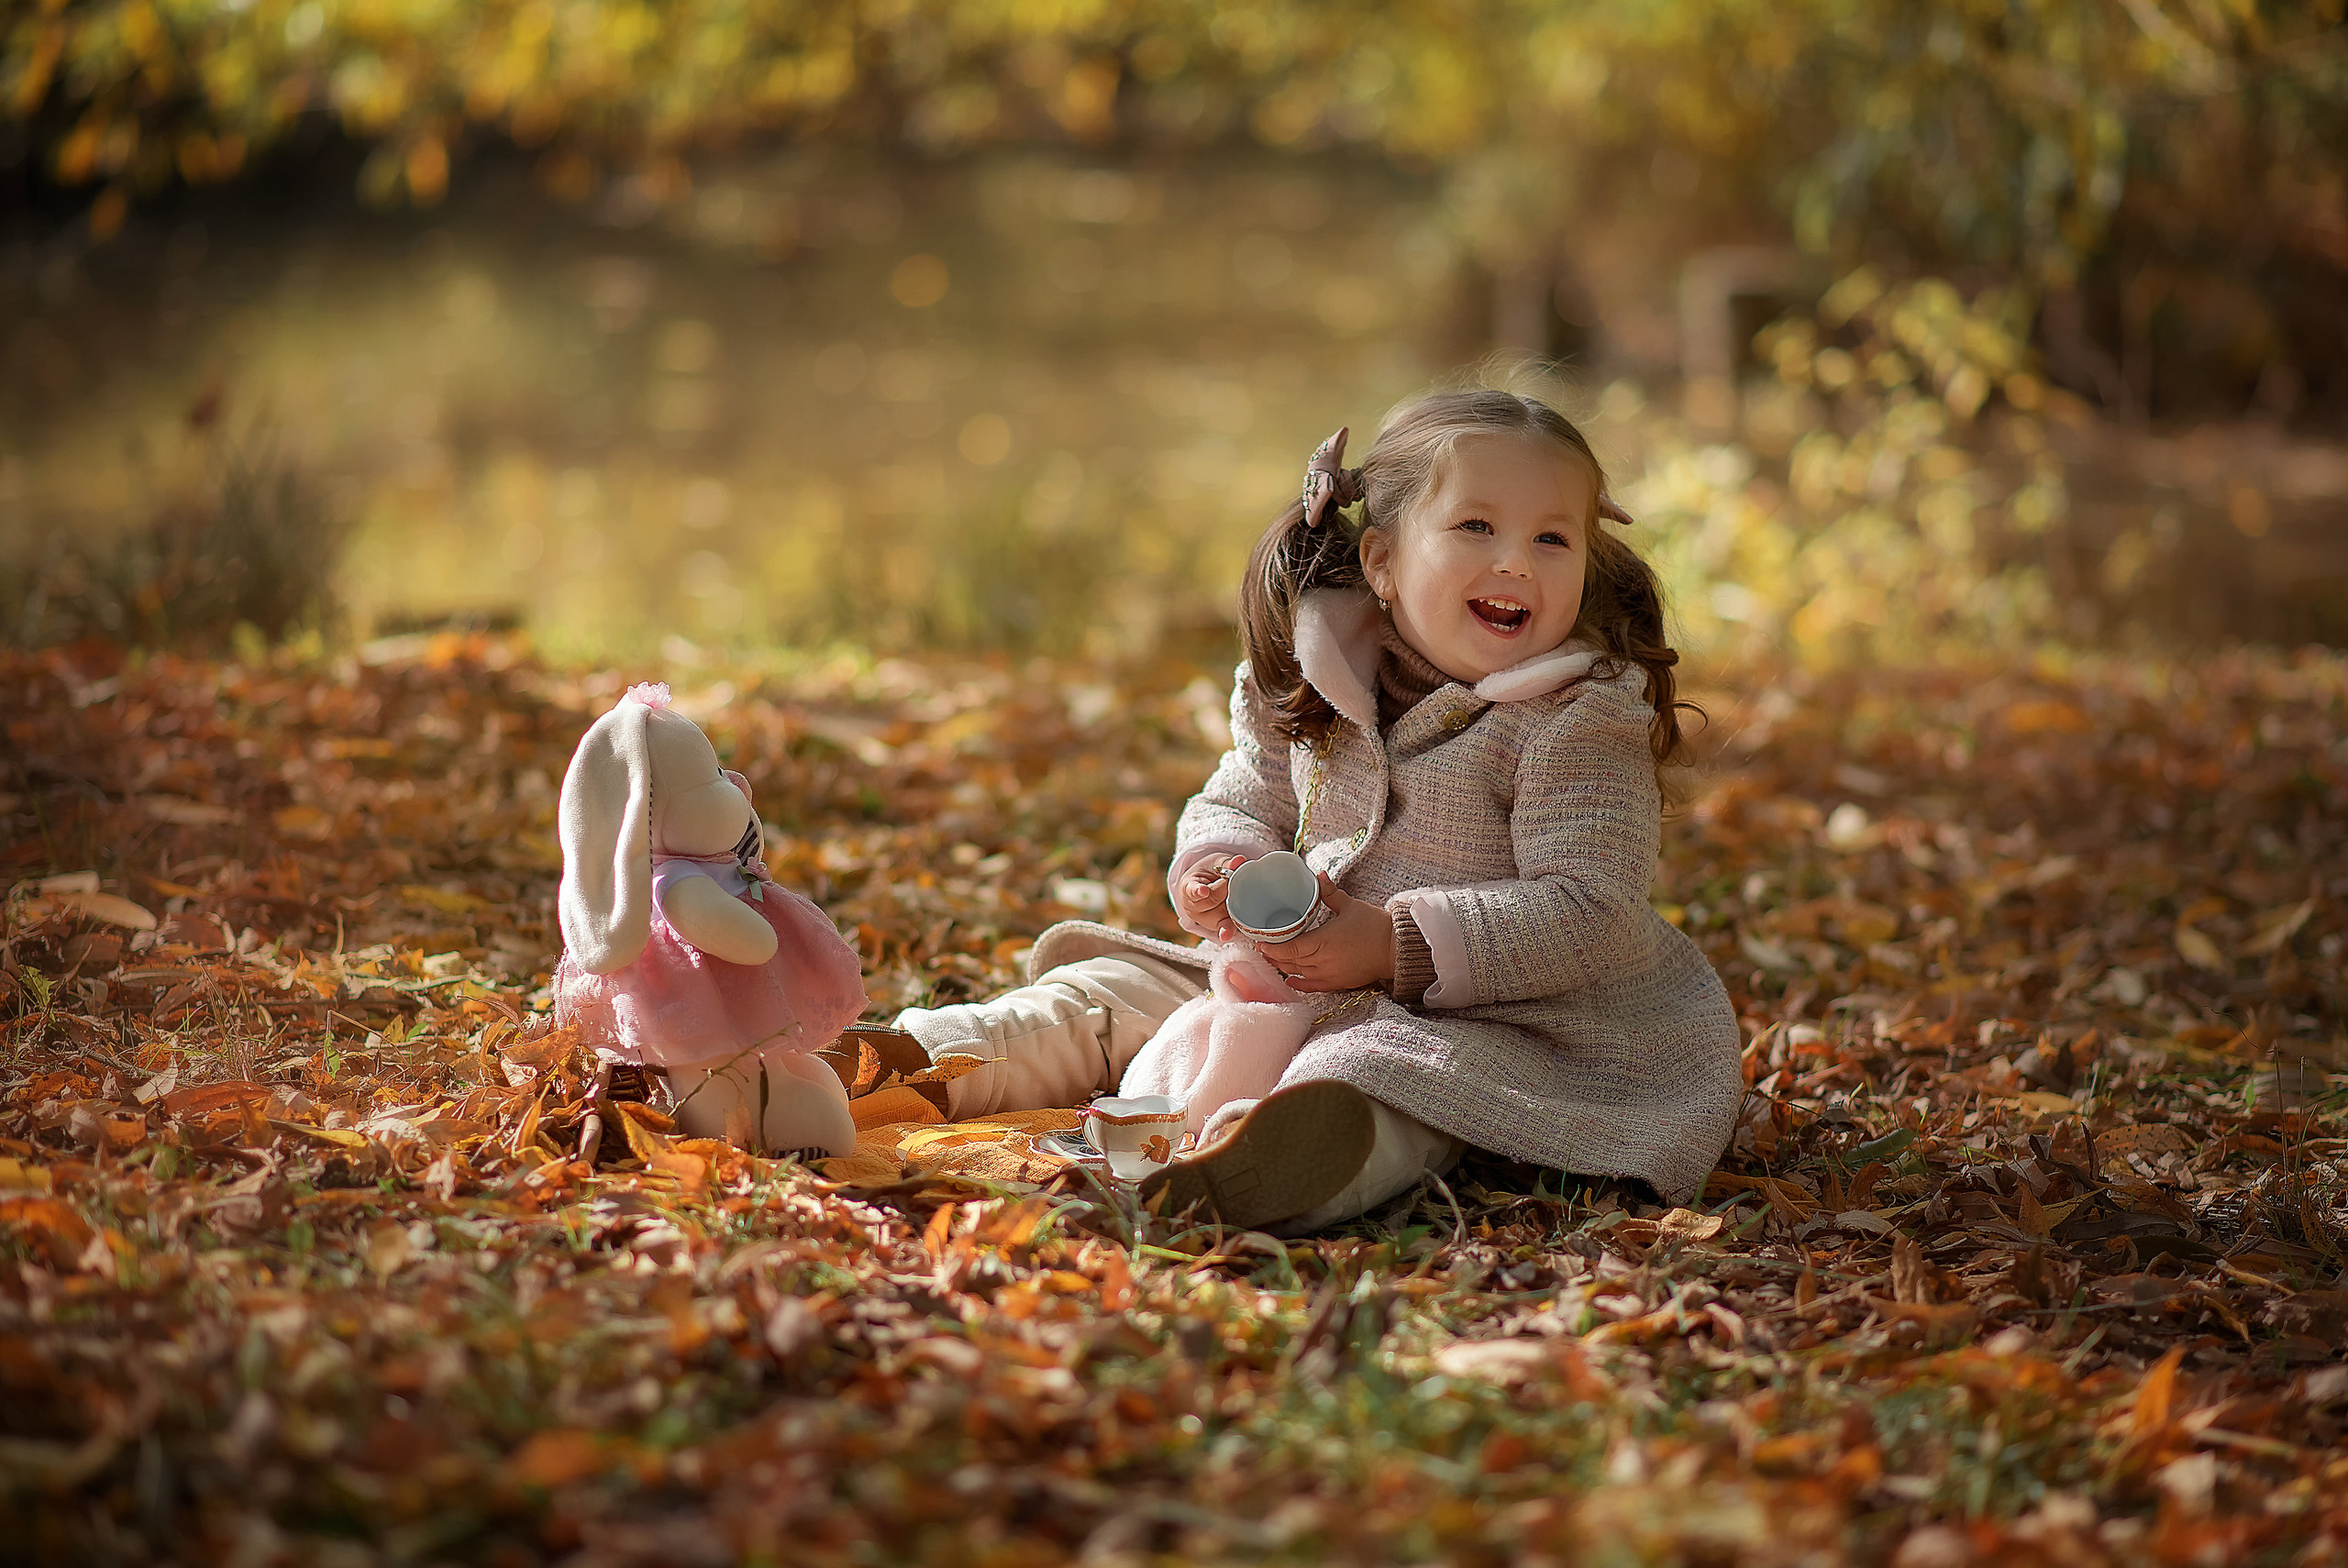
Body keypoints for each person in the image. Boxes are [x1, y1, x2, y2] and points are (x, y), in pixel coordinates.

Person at [898, 385, 1744, 1231]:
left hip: (1494, 1014)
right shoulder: (1319, 668)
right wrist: (1217, 863)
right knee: (1109, 990)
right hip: (1286, 967)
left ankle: (1257, 1163)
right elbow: (1248, 786)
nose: (1516, 562)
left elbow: (1589, 909)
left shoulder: (1578, 718)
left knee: (1382, 1075)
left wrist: (1388, 944)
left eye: (1551, 539)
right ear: (1381, 561)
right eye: (1476, 527)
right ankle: (914, 1064)